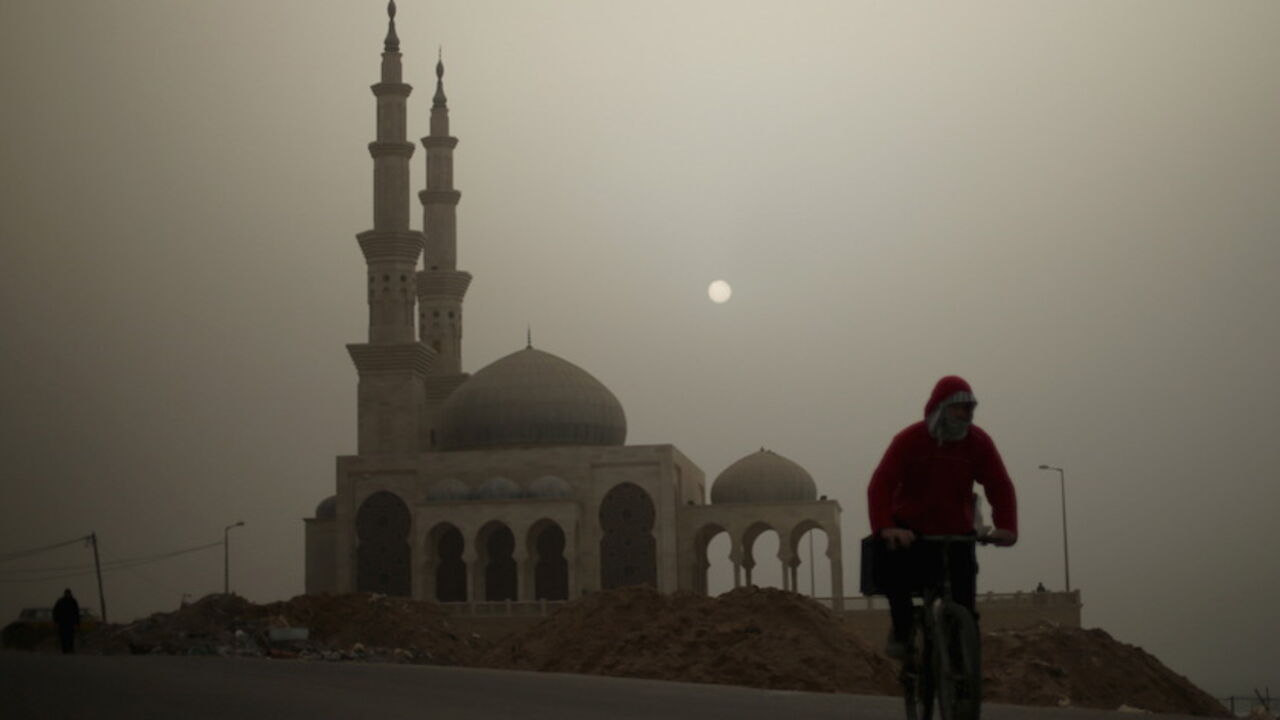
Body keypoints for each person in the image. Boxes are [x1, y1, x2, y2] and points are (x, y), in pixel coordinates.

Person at [867, 375, 1018, 658]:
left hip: (956, 533)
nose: (964, 415)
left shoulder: (978, 443)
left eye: (968, 409)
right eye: (957, 408)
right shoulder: (909, 441)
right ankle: (902, 626)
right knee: (887, 561)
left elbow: (998, 484)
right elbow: (881, 484)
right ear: (939, 408)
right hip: (912, 532)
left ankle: (960, 687)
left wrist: (1006, 527)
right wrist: (886, 527)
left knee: (964, 611)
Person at [52, 588, 80, 654]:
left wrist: (77, 622)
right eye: (67, 593)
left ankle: (70, 649)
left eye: (68, 593)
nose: (68, 595)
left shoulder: (73, 601)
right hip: (63, 622)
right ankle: (64, 650)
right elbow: (55, 611)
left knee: (70, 637)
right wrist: (56, 620)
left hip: (70, 622)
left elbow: (76, 612)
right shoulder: (61, 601)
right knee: (63, 637)